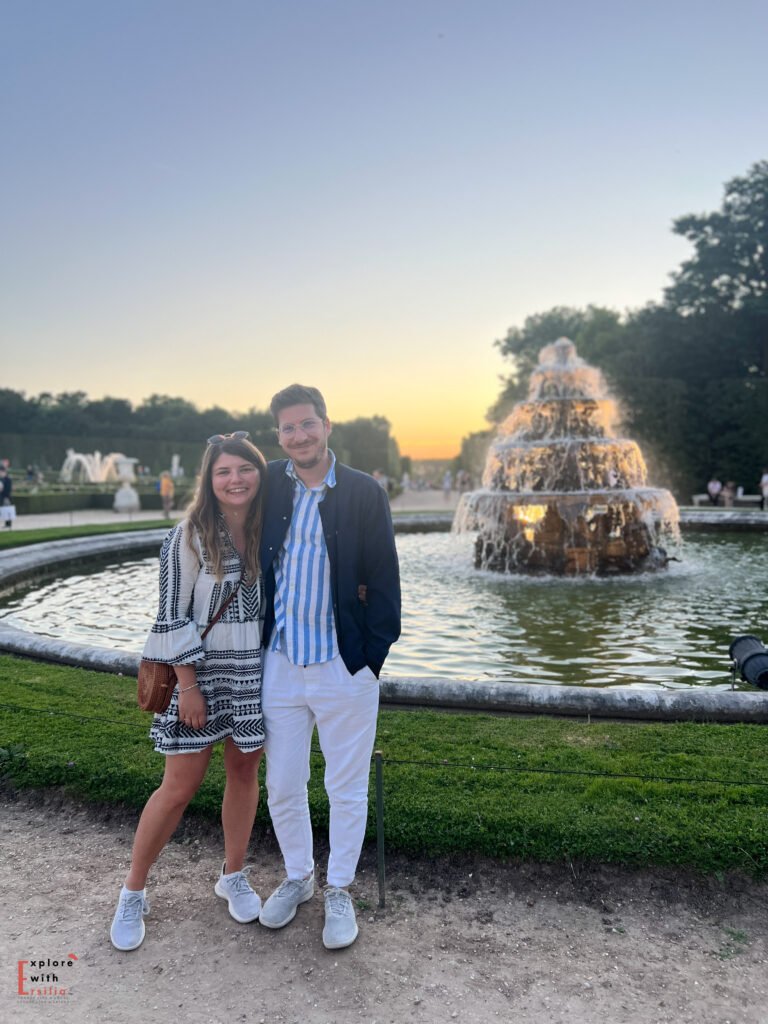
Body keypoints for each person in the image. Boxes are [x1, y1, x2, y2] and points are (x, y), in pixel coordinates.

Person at [110, 433, 268, 951]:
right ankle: (133, 890)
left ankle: (233, 874)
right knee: (178, 787)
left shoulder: (271, 531)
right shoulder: (190, 535)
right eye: (224, 471)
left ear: (259, 473)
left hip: (252, 675)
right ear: (210, 479)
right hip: (198, 677)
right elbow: (170, 615)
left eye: (245, 468)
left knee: (244, 771)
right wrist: (189, 685)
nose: (236, 479)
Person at [258, 384, 401, 950]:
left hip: (344, 665)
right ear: (279, 435)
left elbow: (386, 582)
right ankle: (299, 877)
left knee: (346, 788)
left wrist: (370, 659)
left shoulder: (364, 492)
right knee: (283, 784)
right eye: (288, 428)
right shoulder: (270, 483)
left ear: (326, 425)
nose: (299, 435)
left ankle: (339, 887)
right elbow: (222, 482)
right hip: (282, 663)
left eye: (307, 424)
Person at [0, 465, 13, 529]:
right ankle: (6, 524)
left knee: (7, 510)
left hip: (6, 497)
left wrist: (2, 489)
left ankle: (9, 524)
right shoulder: (2, 479)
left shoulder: (8, 479)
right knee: (4, 511)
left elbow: (8, 489)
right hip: (2, 497)